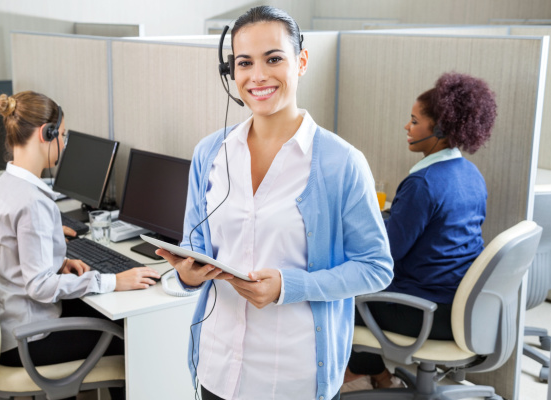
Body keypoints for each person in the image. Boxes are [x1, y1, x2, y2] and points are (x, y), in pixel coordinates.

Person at [155, 6, 393, 400]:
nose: (258, 76)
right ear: (231, 72)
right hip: (217, 366)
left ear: (300, 62)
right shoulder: (209, 152)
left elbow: (376, 267)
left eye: (274, 59)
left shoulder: (341, 162)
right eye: (245, 63)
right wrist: (188, 273)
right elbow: (195, 244)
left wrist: (290, 286)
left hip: (292, 377)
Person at [0, 91, 161, 400]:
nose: (64, 144)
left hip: (7, 321)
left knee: (105, 315)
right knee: (129, 338)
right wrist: (113, 281)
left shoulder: (5, 185)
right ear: (46, 133)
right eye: (62, 135)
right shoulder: (32, 201)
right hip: (28, 337)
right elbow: (39, 286)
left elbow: (18, 258)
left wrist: (58, 263)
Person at [341, 72, 497, 392]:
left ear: (440, 129)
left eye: (414, 121)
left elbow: (384, 255)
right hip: (458, 303)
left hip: (425, 311)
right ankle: (382, 377)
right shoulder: (470, 173)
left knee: (341, 294)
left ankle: (350, 373)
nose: (407, 127)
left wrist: (356, 223)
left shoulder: (423, 184)